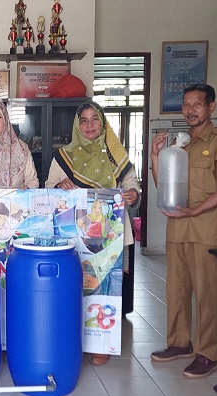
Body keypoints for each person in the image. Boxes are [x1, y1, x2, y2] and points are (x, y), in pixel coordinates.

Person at [149, 84, 217, 379]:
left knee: (206, 293)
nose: (190, 110)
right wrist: (155, 156)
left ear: (211, 107)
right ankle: (179, 343)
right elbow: (163, 186)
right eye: (186, 105)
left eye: (197, 104)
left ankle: (208, 352)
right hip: (178, 228)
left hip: (205, 229)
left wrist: (195, 211)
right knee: (175, 290)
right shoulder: (182, 147)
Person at [45, 101, 140, 367]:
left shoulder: (115, 154)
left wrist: (132, 194)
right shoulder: (64, 155)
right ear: (77, 125)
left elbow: (131, 184)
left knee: (103, 284)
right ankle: (71, 338)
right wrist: (58, 184)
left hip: (108, 235)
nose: (89, 125)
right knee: (74, 283)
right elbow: (48, 186)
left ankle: (100, 342)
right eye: (83, 120)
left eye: (94, 120)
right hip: (73, 234)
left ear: (102, 123)